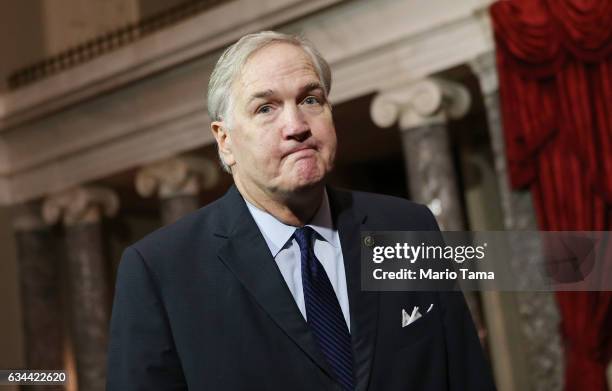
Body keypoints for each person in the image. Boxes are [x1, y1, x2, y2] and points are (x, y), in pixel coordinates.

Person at [106, 31, 496, 390]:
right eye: (265, 108)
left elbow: (464, 374)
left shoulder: (407, 227)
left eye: (311, 100)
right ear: (224, 141)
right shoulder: (161, 270)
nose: (296, 125)